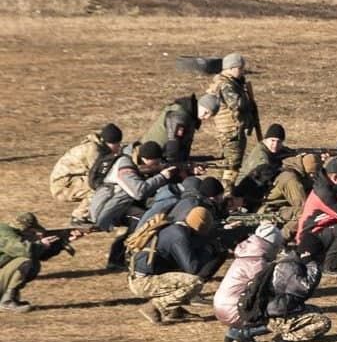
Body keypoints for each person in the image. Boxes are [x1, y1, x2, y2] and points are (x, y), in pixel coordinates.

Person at [89, 141, 175, 269]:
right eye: (155, 162)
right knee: (143, 220)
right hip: (111, 207)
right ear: (145, 159)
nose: (157, 165)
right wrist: (162, 176)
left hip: (121, 203)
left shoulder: (134, 160)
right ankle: (117, 259)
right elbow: (139, 192)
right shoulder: (125, 165)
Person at [128, 207, 220, 324]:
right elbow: (193, 268)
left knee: (180, 276)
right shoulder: (179, 236)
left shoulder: (174, 229)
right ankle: (154, 307)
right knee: (194, 282)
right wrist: (209, 250)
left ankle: (174, 311)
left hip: (140, 277)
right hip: (144, 282)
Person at [214, 223, 285, 342]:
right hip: (233, 310)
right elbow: (266, 291)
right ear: (272, 245)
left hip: (222, 306)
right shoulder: (257, 263)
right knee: (281, 313)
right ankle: (244, 333)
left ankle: (233, 332)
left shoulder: (247, 255)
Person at [0, 213, 82, 312]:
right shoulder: (4, 232)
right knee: (25, 262)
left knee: (32, 263)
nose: (37, 234)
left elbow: (40, 255)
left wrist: (63, 241)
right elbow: (25, 250)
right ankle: (6, 302)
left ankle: (9, 299)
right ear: (24, 229)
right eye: (33, 232)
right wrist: (41, 244)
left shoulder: (13, 234)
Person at [205, 53, 259, 192]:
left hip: (230, 131)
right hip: (231, 132)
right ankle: (226, 194)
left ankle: (220, 191)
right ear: (231, 68)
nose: (242, 72)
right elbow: (237, 104)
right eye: (240, 69)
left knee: (227, 165)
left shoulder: (229, 82)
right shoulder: (227, 85)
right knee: (231, 167)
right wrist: (248, 100)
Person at [49, 123, 123, 225]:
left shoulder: (97, 147)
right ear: (108, 142)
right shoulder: (93, 150)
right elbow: (99, 175)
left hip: (69, 181)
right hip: (63, 186)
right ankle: (78, 217)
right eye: (117, 144)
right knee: (101, 188)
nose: (119, 147)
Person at [139, 94, 218, 163]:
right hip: (149, 157)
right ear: (199, 104)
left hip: (161, 155)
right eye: (206, 112)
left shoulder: (191, 117)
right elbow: (173, 143)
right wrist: (174, 165)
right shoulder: (180, 115)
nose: (206, 117)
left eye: (210, 115)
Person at [259, 153, 321, 240]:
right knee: (306, 213)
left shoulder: (297, 171)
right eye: (312, 173)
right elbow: (301, 204)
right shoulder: (291, 179)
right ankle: (280, 238)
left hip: (282, 207)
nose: (313, 176)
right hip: (271, 210)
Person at [233, 122, 290, 204]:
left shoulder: (269, 148)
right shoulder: (261, 157)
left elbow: (287, 151)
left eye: (279, 142)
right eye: (272, 140)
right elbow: (267, 171)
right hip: (245, 194)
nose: (275, 144)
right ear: (265, 140)